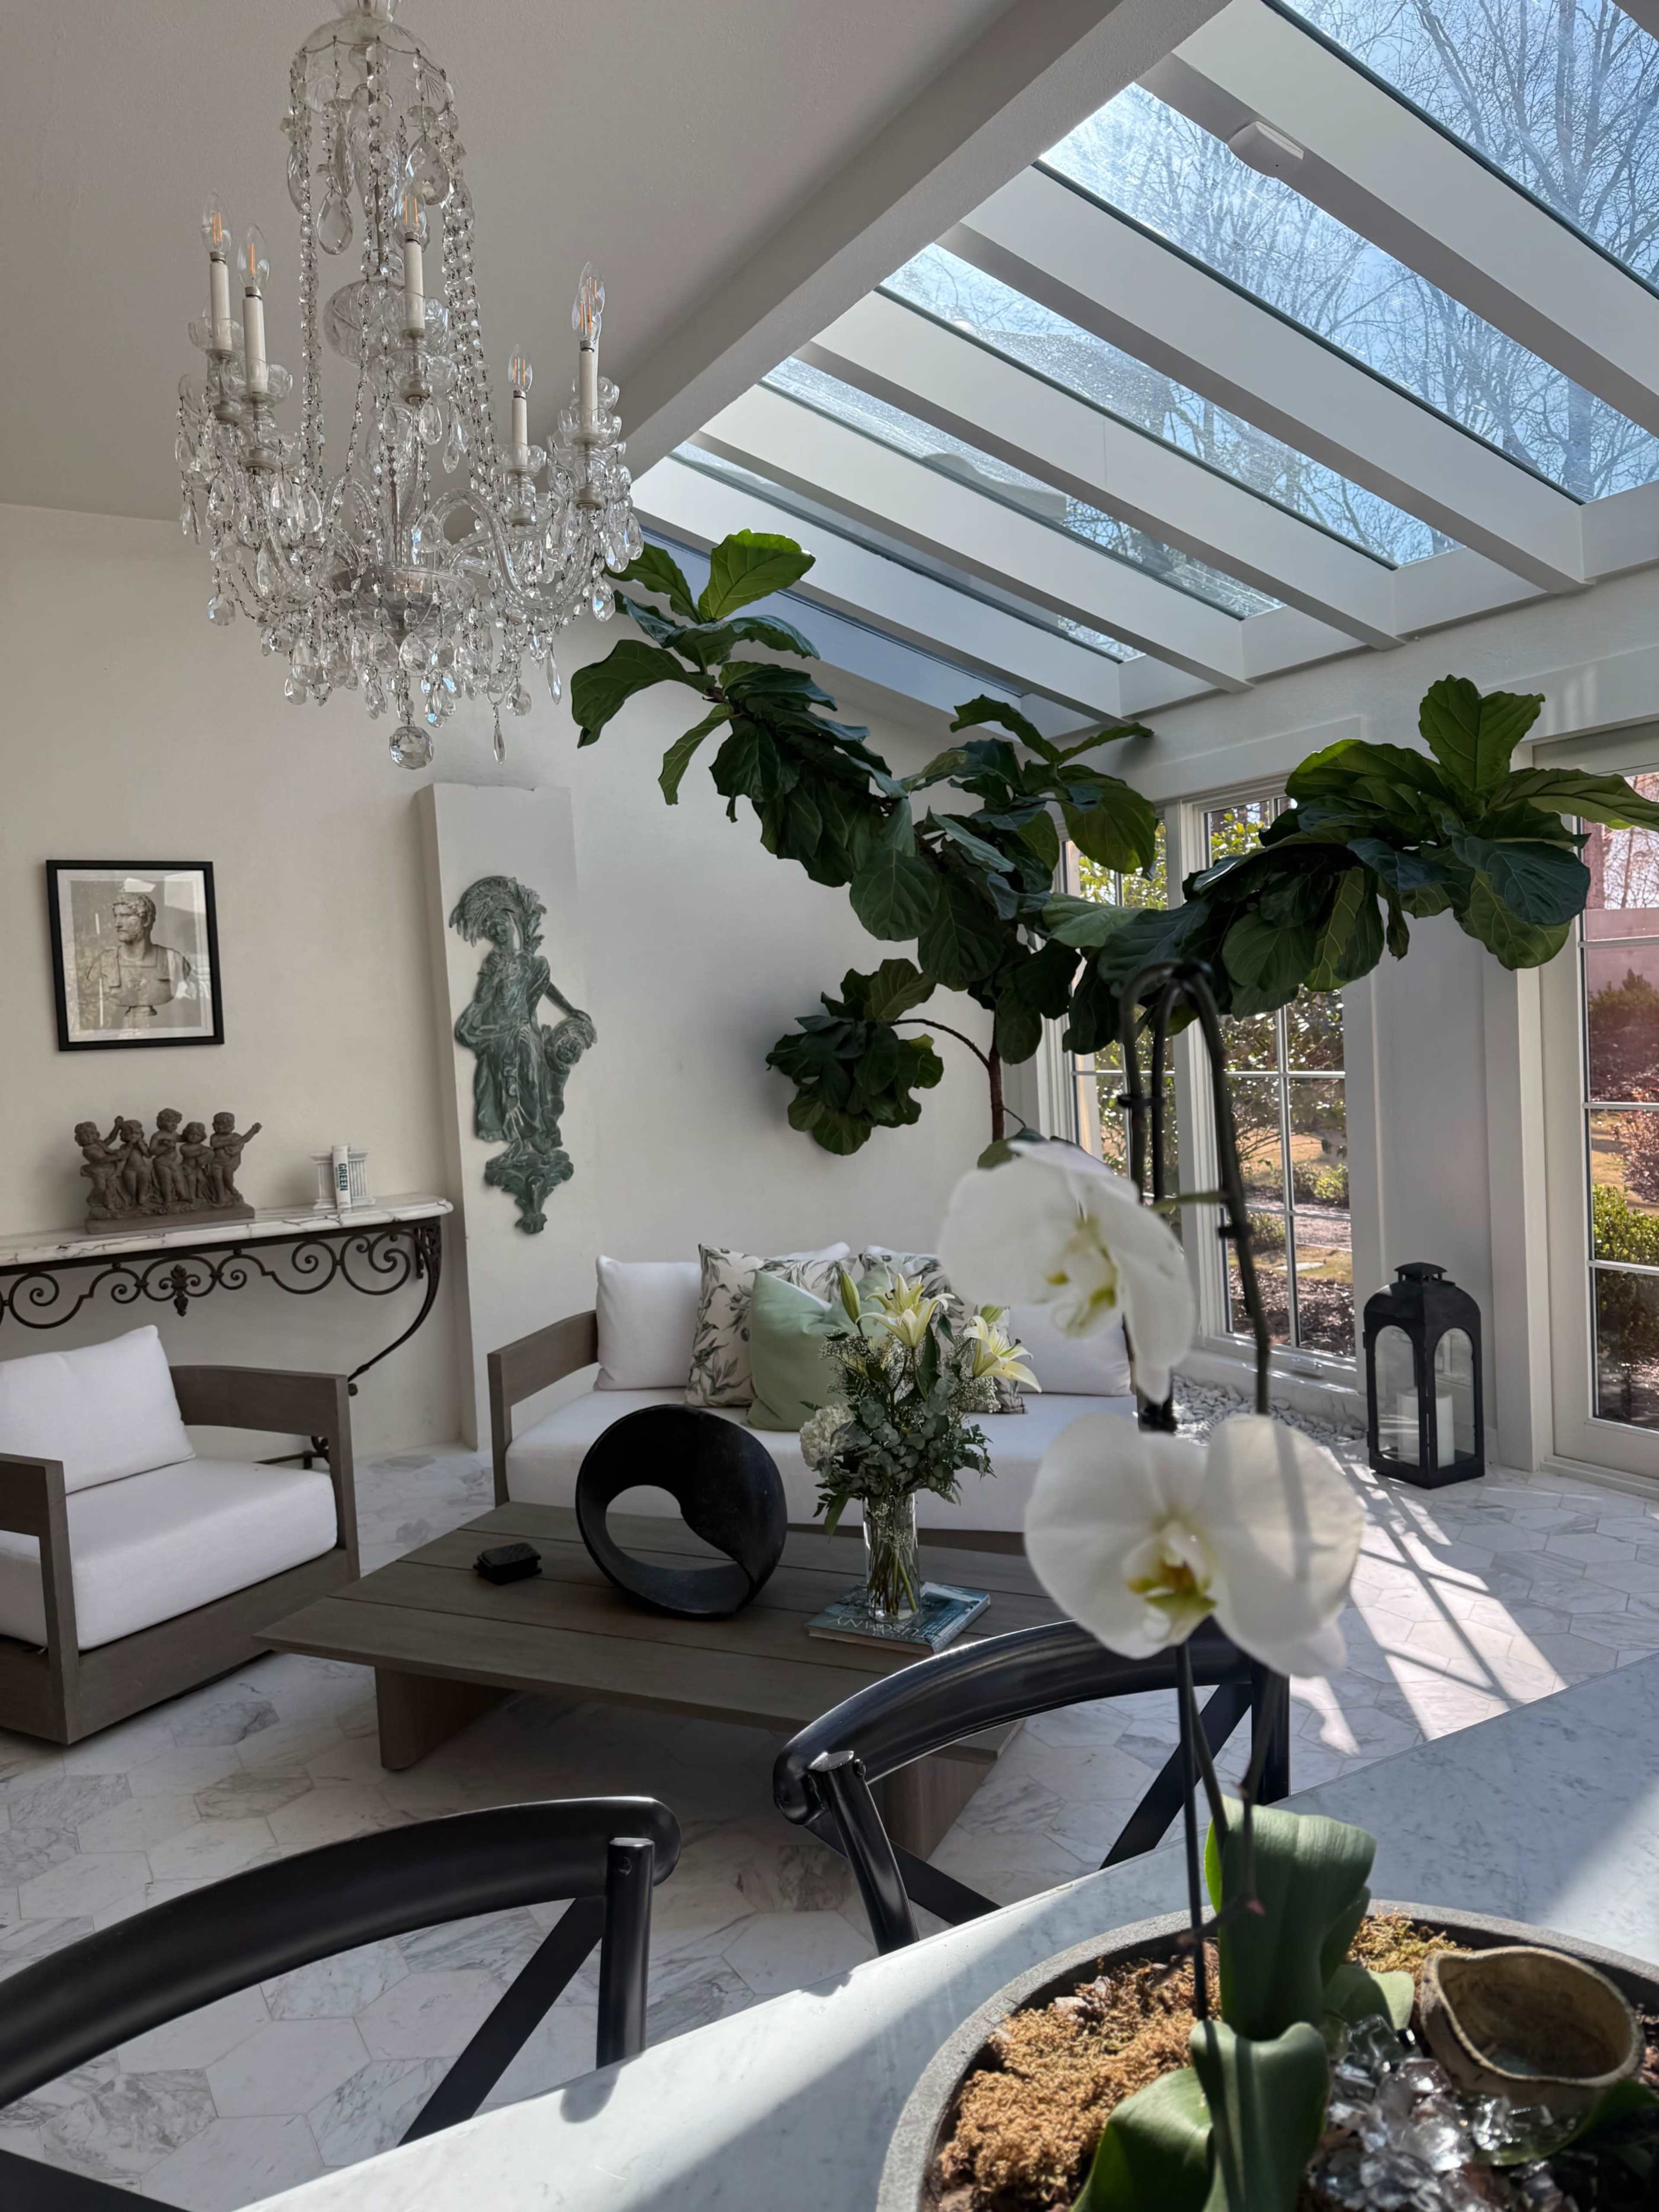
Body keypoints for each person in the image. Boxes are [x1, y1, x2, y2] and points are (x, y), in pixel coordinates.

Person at [80, 890, 196, 1033]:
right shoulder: (104, 962)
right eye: (116, 916)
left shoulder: (174, 960)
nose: (117, 924)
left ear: (145, 920)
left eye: (126, 916)